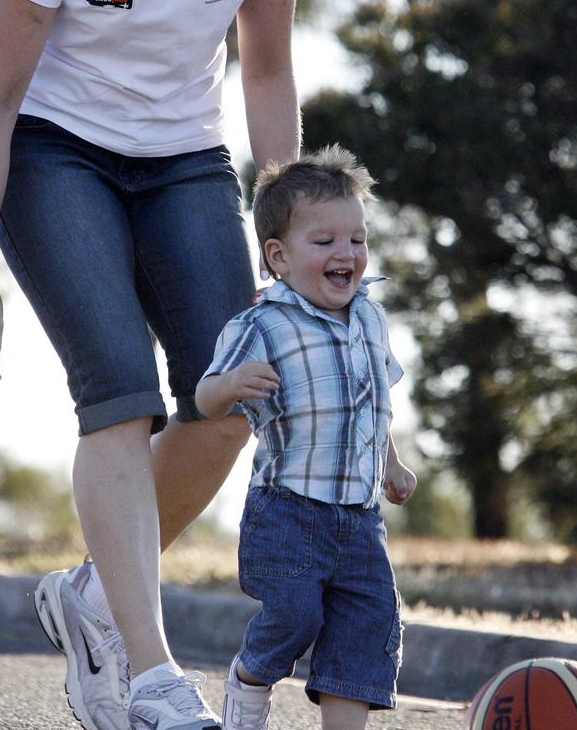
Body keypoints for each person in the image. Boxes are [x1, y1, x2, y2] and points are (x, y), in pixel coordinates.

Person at [0, 0, 320, 729]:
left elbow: (272, 72)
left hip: (185, 162)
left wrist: (285, 230)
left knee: (233, 398)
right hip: (56, 157)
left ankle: (92, 593)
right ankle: (150, 672)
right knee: (118, 392)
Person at [195, 146, 417, 730]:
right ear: (279, 256)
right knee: (294, 616)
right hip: (288, 512)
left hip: (360, 517)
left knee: (366, 622)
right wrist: (231, 384)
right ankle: (250, 678)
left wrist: (390, 463)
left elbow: (376, 404)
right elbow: (204, 396)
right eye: (324, 243)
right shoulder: (263, 323)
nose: (346, 254)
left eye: (357, 240)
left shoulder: (370, 318)